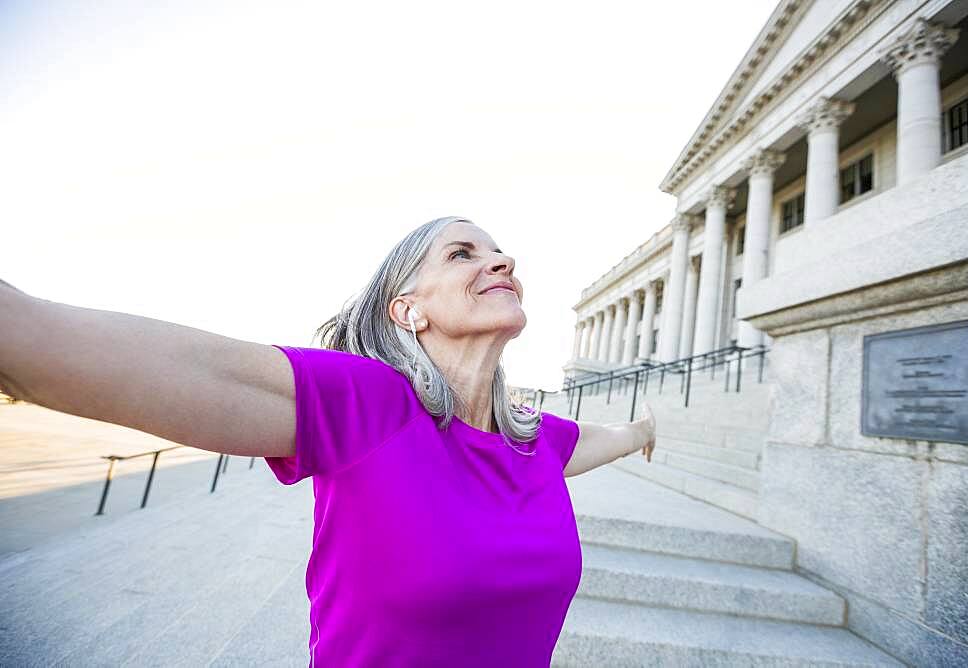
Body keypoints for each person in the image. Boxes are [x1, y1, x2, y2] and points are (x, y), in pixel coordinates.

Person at [0, 215, 656, 666]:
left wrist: (643, 431)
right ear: (408, 309)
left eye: (498, 252)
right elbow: (66, 348)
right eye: (463, 254)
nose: (500, 260)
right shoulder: (371, 404)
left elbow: (601, 439)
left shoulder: (536, 444)